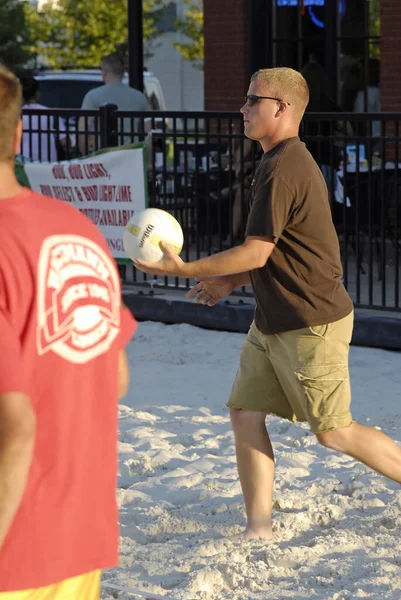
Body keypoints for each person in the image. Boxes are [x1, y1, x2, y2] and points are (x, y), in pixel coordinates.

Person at [134, 67, 401, 540]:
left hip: (309, 321)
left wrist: (187, 270)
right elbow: (276, 252)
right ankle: (259, 528)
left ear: (281, 108)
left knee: (333, 432)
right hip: (273, 317)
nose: (241, 108)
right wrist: (232, 281)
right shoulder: (276, 161)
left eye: (251, 100)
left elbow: (258, 250)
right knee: (244, 412)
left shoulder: (285, 166)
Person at [0, 64, 137, 597]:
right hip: (77, 536)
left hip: (15, 547)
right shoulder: (75, 227)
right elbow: (116, 373)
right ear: (16, 135)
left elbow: (16, 429)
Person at [78, 52, 150, 155]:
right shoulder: (140, 97)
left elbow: (82, 130)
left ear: (104, 73)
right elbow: (149, 134)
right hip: (131, 157)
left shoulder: (92, 96)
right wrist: (149, 163)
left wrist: (86, 156)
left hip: (102, 157)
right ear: (122, 73)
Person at [20, 76, 67, 162]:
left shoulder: (17, 115)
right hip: (47, 165)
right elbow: (64, 142)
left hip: (23, 163)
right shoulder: (51, 114)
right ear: (37, 93)